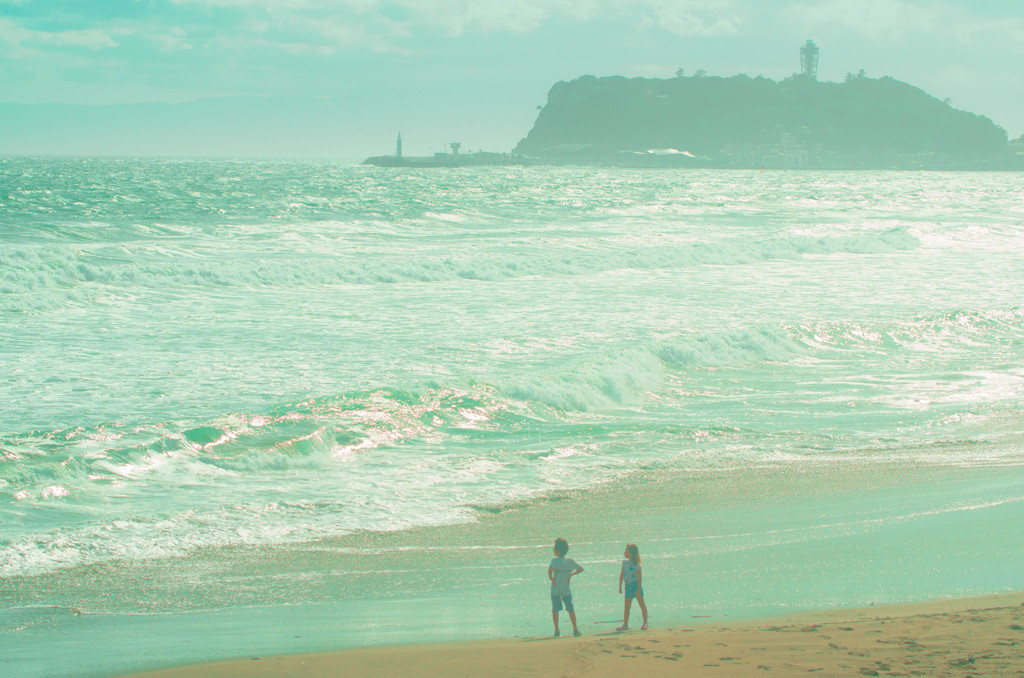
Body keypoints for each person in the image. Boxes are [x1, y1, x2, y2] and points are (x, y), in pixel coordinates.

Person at [548, 537, 583, 637]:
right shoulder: (570, 561)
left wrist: (551, 578)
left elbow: (550, 571)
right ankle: (575, 629)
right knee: (570, 608)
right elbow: (580, 569)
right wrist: (571, 574)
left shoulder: (554, 561)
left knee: (555, 609)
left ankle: (556, 629)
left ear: (557, 551)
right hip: (566, 589)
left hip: (555, 589)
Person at [617, 543, 648, 631]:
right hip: (628, 586)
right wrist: (620, 586)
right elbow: (622, 575)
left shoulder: (637, 564)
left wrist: (638, 589)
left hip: (635, 585)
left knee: (642, 604)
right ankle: (625, 624)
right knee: (627, 607)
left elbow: (639, 578)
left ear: (630, 553)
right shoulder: (624, 563)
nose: (624, 552)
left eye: (626, 551)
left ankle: (645, 622)